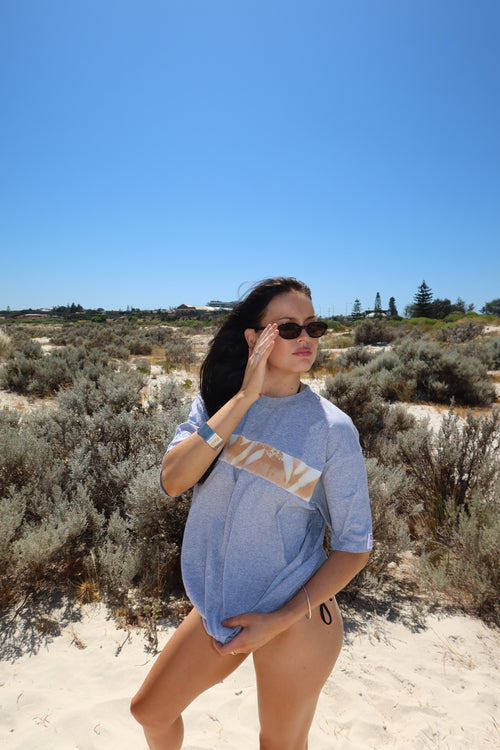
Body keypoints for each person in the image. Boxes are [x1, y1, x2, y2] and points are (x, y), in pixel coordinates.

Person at [131, 277, 372, 750]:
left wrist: (280, 618)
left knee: (279, 744)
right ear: (253, 337)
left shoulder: (332, 429)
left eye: (314, 327)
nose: (306, 338)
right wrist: (244, 399)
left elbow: (354, 546)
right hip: (223, 605)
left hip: (297, 615)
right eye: (288, 328)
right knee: (150, 712)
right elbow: (173, 481)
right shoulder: (216, 403)